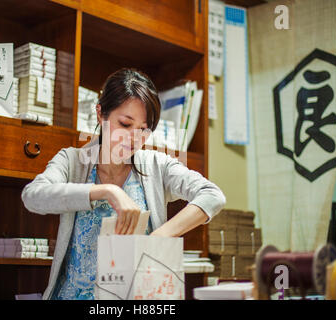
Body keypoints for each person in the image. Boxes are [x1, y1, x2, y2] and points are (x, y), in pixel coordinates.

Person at [21, 68, 226, 300]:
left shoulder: (157, 166)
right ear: (101, 114)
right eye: (125, 124)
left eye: (143, 129)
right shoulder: (71, 161)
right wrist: (106, 191)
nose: (134, 138)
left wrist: (160, 236)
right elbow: (33, 196)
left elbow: (212, 195)